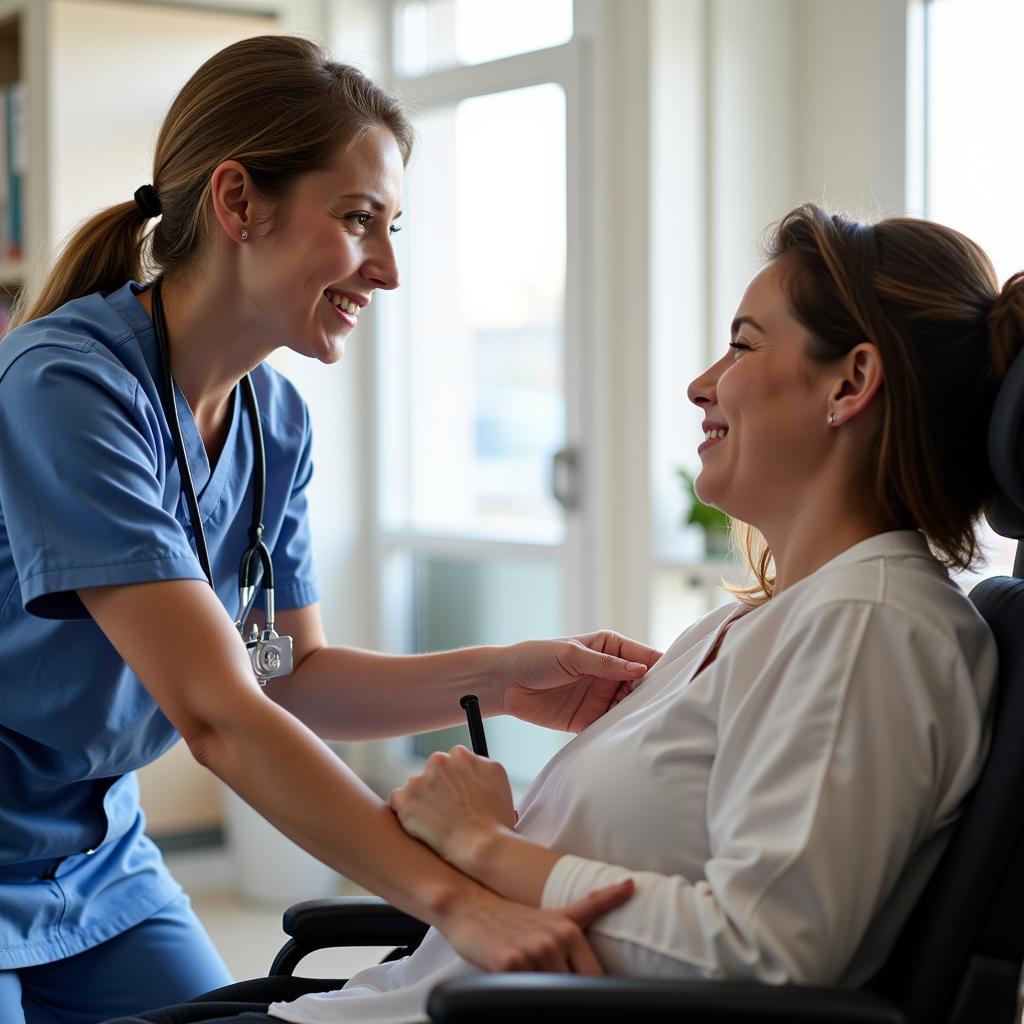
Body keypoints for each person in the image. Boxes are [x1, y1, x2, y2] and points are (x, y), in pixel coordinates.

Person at [112, 202, 1024, 1024]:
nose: (703, 384)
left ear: (850, 383)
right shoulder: (765, 621)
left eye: (743, 346)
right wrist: (489, 803)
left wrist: (483, 844)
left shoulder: (871, 626)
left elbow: (768, 956)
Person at [0, 34, 666, 1024]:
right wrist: (454, 898)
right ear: (237, 202)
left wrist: (508, 675)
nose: (388, 271)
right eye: (360, 221)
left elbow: (287, 674)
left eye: (393, 227)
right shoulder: (66, 387)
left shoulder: (274, 420)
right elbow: (218, 715)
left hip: (98, 858)